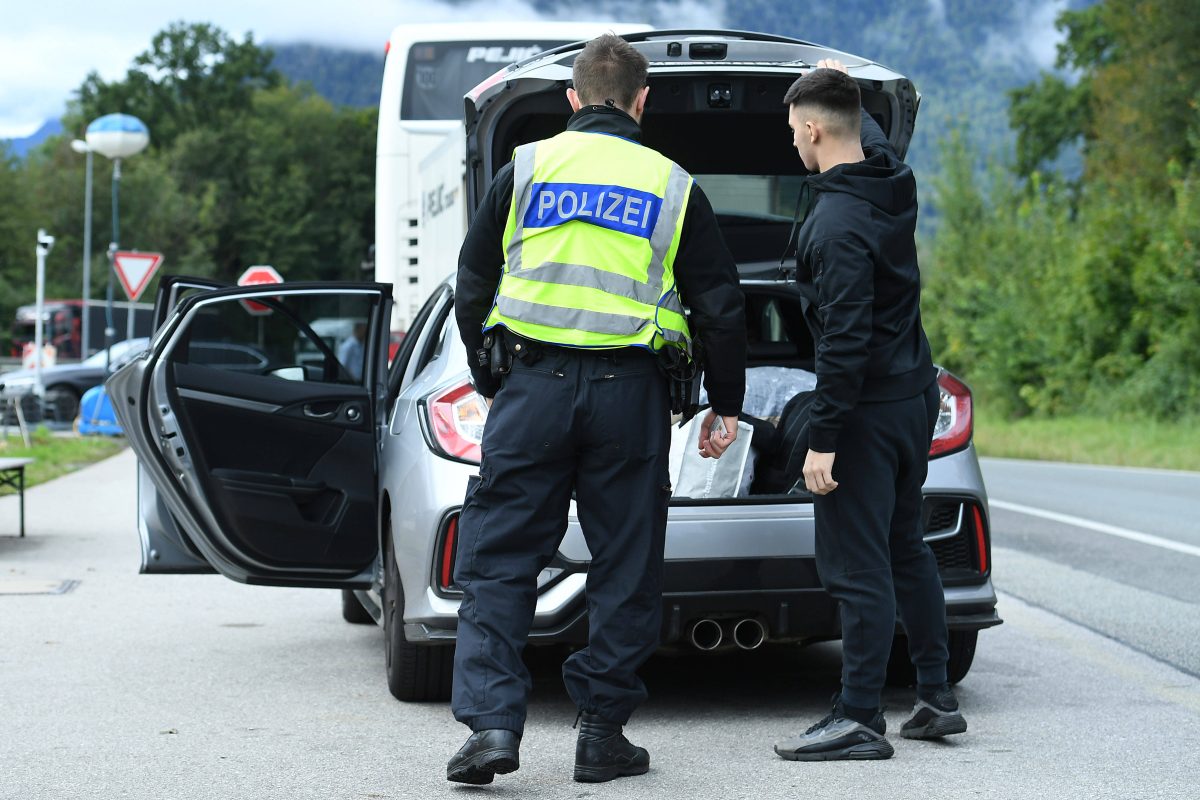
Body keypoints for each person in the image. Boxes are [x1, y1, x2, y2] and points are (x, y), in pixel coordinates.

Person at [447, 33, 746, 785]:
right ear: (642, 102)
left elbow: (472, 278)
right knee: (625, 567)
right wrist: (727, 404)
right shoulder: (672, 184)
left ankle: (490, 728)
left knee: (501, 561)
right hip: (629, 399)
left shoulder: (525, 167)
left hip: (532, 391)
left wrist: (492, 374)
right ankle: (601, 735)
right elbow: (719, 306)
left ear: (573, 100)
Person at [771, 60, 966, 762]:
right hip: (915, 395)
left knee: (858, 566)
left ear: (816, 130)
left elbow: (846, 342)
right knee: (903, 546)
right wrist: (837, 80)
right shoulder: (888, 178)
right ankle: (937, 696)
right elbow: (869, 128)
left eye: (795, 131)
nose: (791, 142)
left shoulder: (838, 225)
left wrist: (823, 439)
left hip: (867, 411)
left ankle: (858, 716)